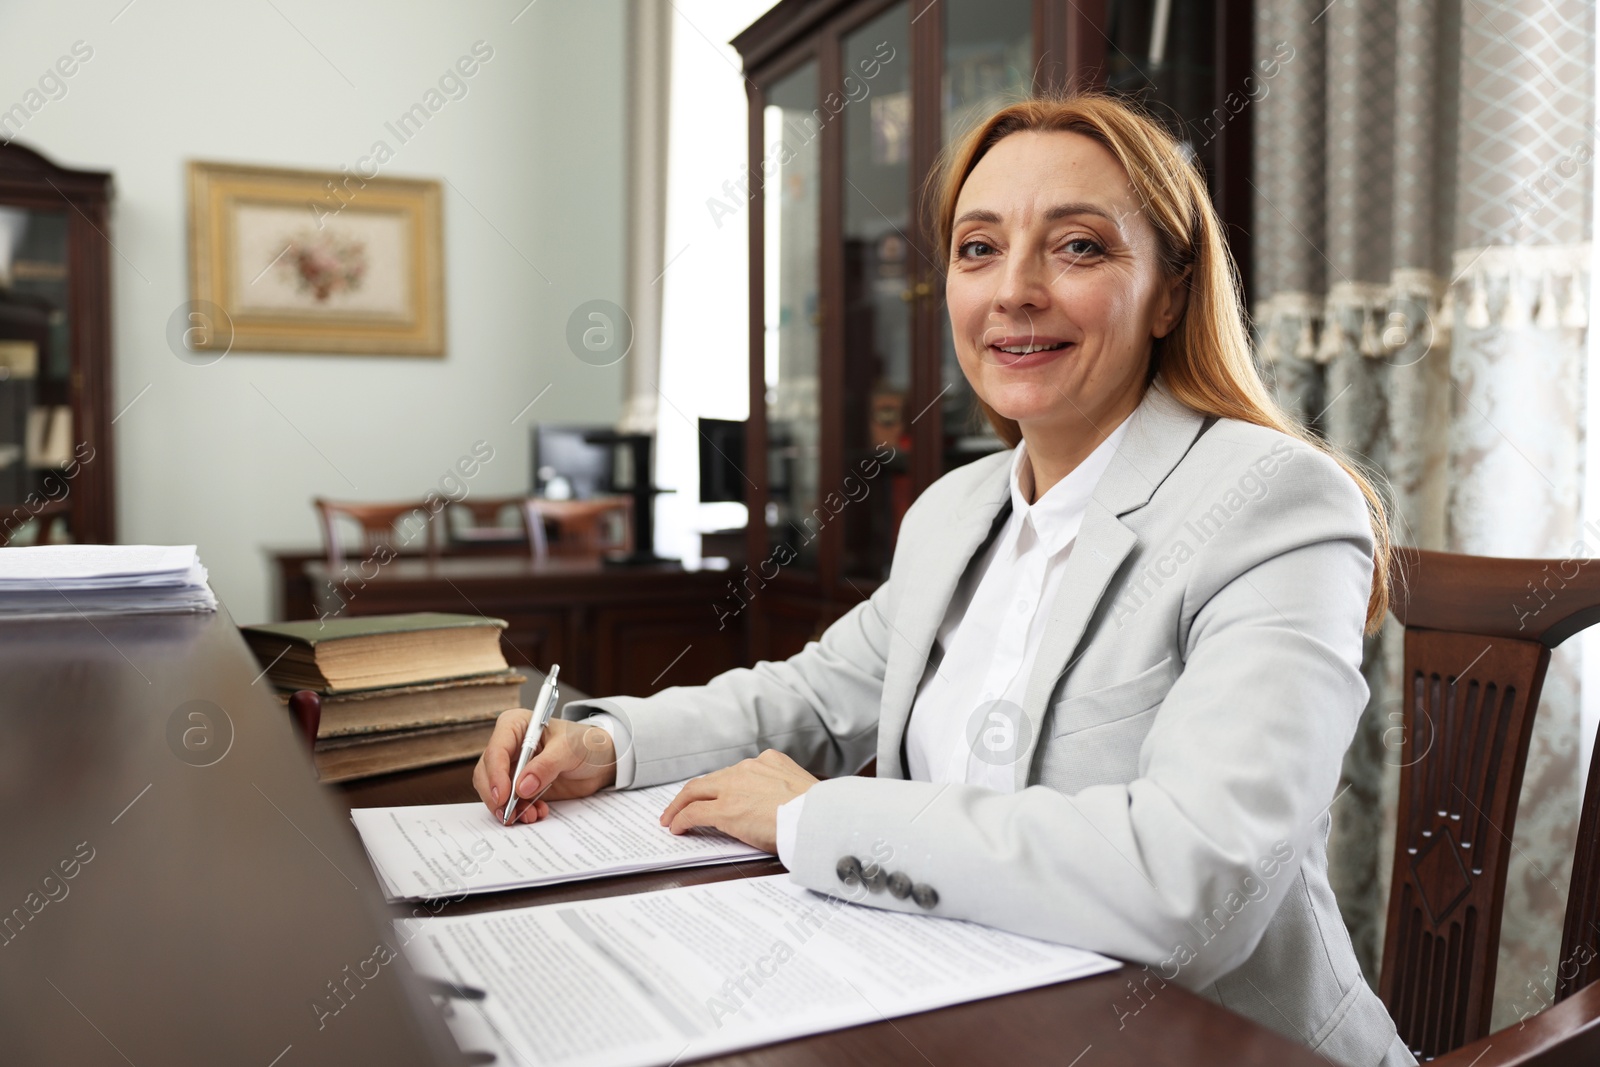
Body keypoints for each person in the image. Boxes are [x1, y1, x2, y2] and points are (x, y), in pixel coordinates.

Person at [473, 93, 1413, 1067]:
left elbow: (1196, 886)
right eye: (977, 248)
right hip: (973, 1013)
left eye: (1079, 246)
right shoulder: (957, 510)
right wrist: (603, 741)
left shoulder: (1269, 500)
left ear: (1171, 292)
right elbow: (805, 697)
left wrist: (814, 816)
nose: (1014, 289)